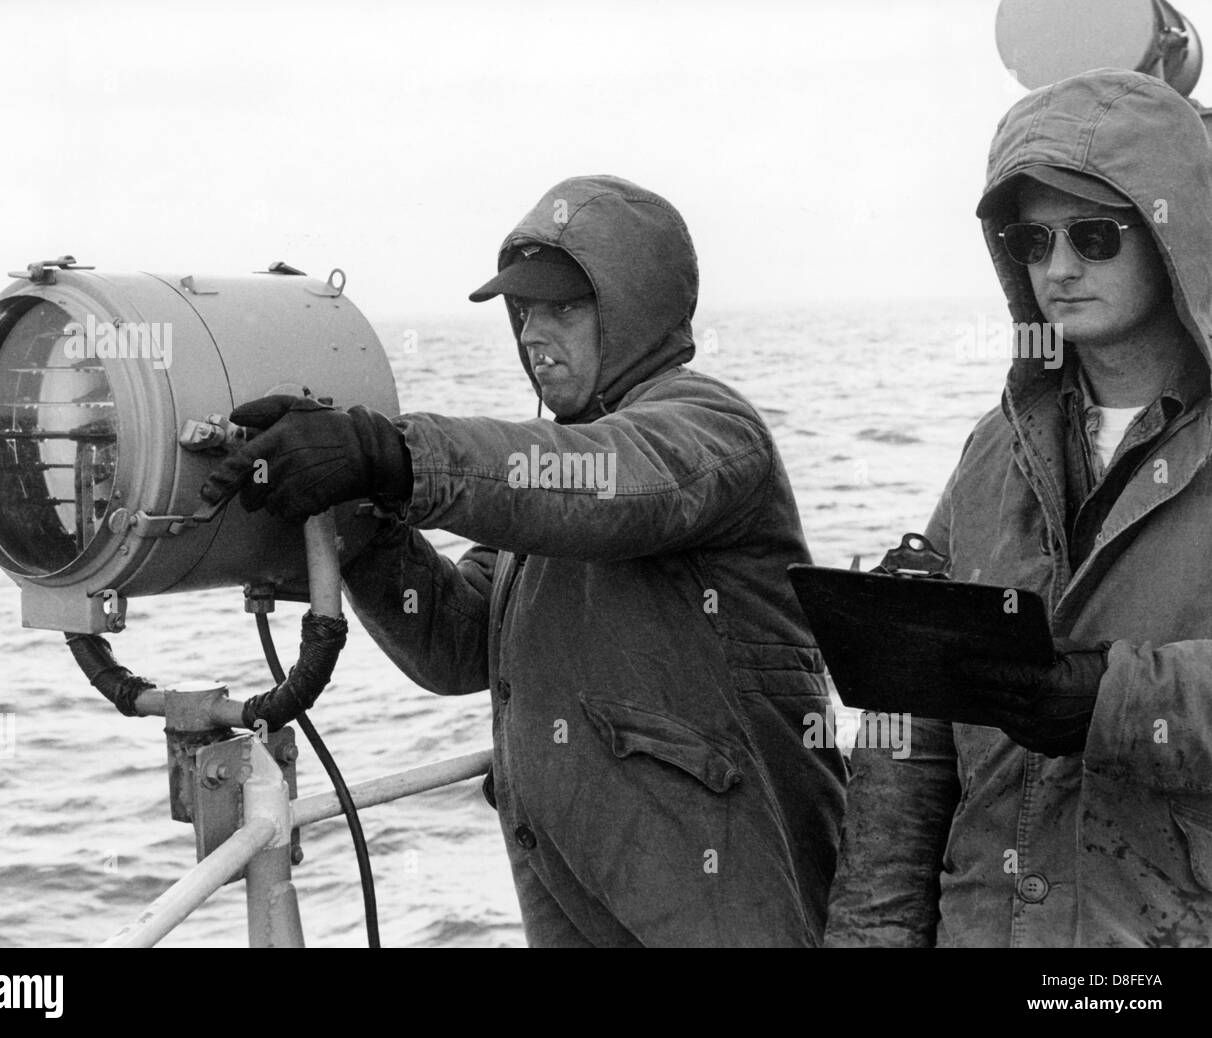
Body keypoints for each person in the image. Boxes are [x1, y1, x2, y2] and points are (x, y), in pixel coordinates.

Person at [202, 174, 847, 947]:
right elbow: (456, 642)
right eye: (524, 311)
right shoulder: (545, 485)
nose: (535, 334)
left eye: (565, 308)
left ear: (635, 308)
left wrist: (389, 455)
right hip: (586, 901)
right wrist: (356, 517)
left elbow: (605, 481)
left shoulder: (708, 428)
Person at [824, 69, 1212, 948]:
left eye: (1096, 235)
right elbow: (909, 756)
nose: (1061, 269)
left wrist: (1116, 697)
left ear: (1173, 233)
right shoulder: (992, 452)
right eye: (1033, 241)